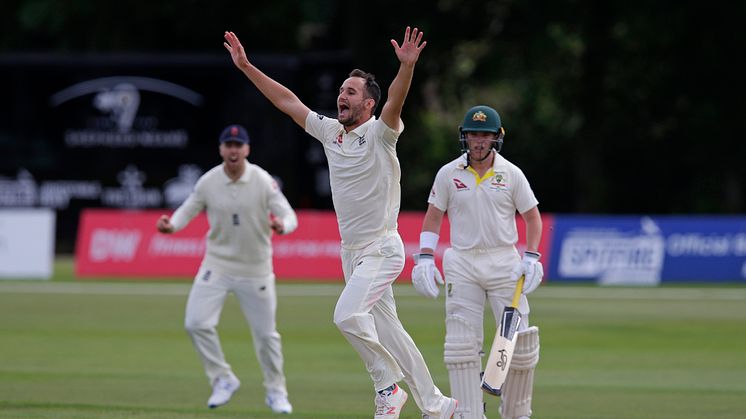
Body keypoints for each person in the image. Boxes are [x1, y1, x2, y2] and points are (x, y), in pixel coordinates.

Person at [223, 27, 458, 419]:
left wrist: (407, 68)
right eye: (341, 91)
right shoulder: (331, 133)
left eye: (351, 93)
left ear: (368, 105)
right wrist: (246, 66)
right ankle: (439, 406)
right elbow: (287, 101)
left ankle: (387, 387)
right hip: (351, 255)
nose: (341, 97)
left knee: (346, 315)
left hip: (382, 248)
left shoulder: (381, 134)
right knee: (393, 336)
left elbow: (395, 103)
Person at [410, 105, 543, 419]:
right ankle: (469, 412)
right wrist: (425, 258)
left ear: (497, 137)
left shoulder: (511, 174)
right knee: (461, 345)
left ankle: (516, 413)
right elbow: (433, 218)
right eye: (473, 134)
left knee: (519, 344)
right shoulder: (448, 173)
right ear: (464, 137)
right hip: (463, 263)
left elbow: (533, 219)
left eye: (485, 135)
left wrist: (532, 256)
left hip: (503, 262)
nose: (478, 141)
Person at [156, 124, 297, 414]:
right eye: (228, 145)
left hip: (256, 268)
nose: (233, 150)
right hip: (217, 265)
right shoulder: (208, 181)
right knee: (196, 323)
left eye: (238, 145)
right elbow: (188, 209)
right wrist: (171, 225)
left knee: (266, 336)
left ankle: (276, 392)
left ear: (246, 150)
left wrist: (283, 226)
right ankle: (222, 379)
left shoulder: (261, 180)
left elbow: (287, 213)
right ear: (221, 149)